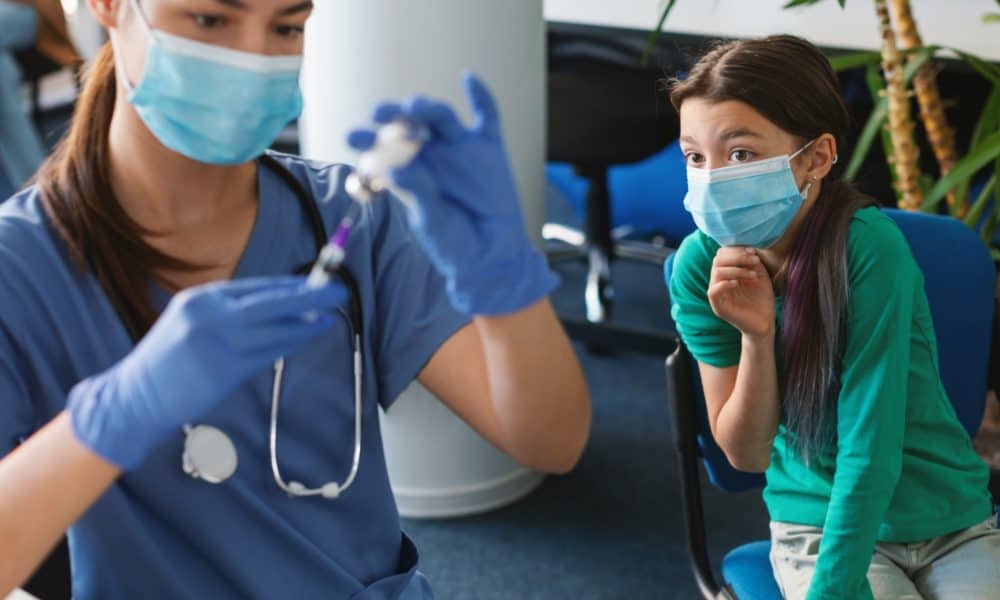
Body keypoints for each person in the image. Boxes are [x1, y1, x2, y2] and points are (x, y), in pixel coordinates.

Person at [0, 0, 590, 598]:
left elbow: (550, 441)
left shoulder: (346, 219)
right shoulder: (19, 266)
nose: (251, 57)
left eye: (286, 26)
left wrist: (504, 278)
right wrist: (108, 421)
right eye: (209, 20)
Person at [667, 35, 999, 599]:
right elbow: (746, 454)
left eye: (740, 154)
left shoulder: (868, 250)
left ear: (816, 158)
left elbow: (870, 445)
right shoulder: (701, 268)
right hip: (816, 524)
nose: (713, 178)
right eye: (696, 157)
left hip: (947, 521)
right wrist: (755, 335)